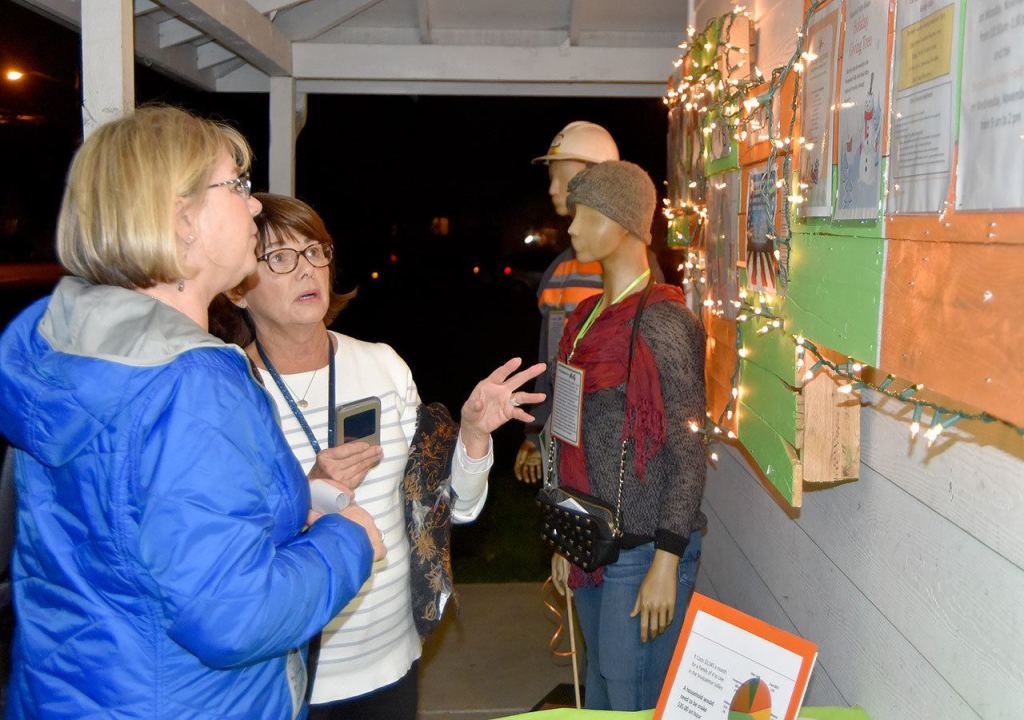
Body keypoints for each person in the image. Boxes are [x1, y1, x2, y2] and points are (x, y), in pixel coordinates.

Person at [0, 105, 385, 720]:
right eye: (235, 185)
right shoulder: (190, 386)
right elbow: (233, 615)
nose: (256, 205)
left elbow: (130, 532)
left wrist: (290, 502)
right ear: (182, 220)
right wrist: (348, 541)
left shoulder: (60, 346)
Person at [215, 193, 545, 720]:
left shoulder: (382, 366)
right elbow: (214, 548)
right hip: (284, 671)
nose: (308, 270)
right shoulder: (223, 387)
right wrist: (310, 490)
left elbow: (449, 507)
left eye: (316, 251)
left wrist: (475, 435)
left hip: (391, 658)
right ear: (236, 287)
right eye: (280, 258)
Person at [548, 161, 706, 711]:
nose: (571, 227)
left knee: (632, 698)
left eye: (587, 214)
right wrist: (569, 537)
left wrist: (668, 558)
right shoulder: (586, 318)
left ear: (624, 224)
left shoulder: (665, 323)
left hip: (643, 551)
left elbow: (688, 447)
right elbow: (568, 432)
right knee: (599, 689)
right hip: (593, 541)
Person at [515, 121, 663, 483]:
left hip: (617, 456)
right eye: (550, 177)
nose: (552, 189)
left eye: (562, 176)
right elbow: (552, 361)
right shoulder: (559, 270)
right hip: (568, 445)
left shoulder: (635, 271)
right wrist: (537, 431)